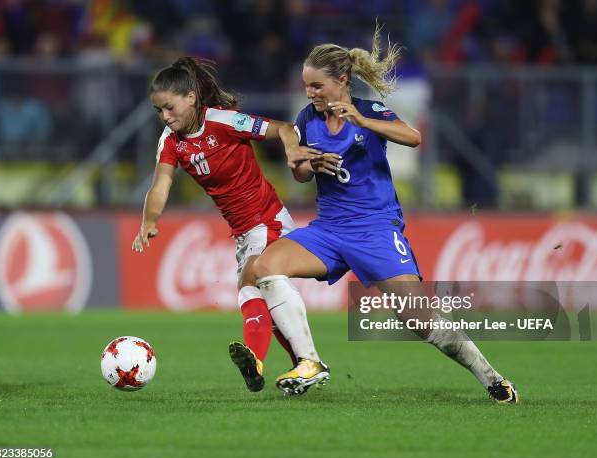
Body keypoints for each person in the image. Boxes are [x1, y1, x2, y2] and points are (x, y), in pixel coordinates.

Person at [254, 29, 519, 403]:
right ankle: (310, 362)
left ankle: (491, 377)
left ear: (342, 81)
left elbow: (412, 137)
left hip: (375, 229)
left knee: (418, 318)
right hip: (329, 229)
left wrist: (362, 122)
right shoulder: (306, 118)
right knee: (266, 266)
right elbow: (298, 172)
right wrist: (308, 162)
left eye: (316, 86)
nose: (309, 93)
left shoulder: (368, 110)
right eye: (306, 86)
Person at [132, 57, 318, 393]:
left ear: (191, 97)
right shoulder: (171, 141)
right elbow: (160, 185)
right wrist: (149, 220)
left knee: (252, 279)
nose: (165, 117)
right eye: (159, 111)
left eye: (170, 108)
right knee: (255, 296)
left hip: (268, 219)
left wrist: (293, 151)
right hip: (243, 231)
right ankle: (301, 366)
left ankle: (259, 363)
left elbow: (284, 128)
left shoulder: (223, 121)